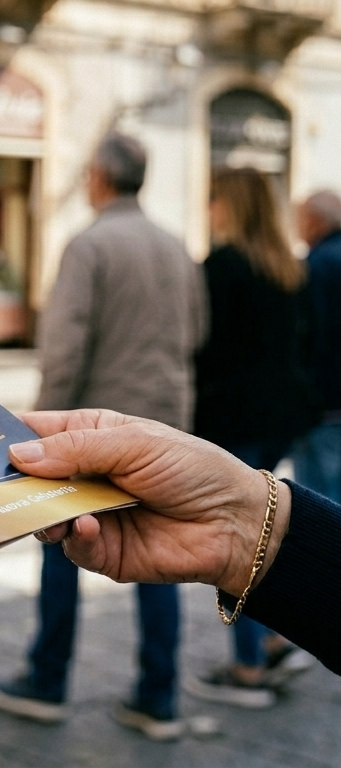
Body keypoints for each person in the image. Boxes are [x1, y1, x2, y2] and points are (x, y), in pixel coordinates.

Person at [0, 132, 206, 741]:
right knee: (161, 558)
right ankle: (158, 695)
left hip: (93, 430)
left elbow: (65, 347)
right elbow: (198, 331)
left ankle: (47, 679)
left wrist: (39, 435)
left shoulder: (89, 244)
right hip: (164, 425)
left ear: (102, 178)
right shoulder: (175, 245)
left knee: (62, 545)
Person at [10, 409, 340, 677]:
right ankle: (160, 689)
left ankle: (49, 676)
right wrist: (244, 525)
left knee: (72, 553)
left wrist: (243, 524)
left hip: (116, 448)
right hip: (171, 421)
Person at [188, 168, 320, 707]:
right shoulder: (289, 268)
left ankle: (247, 667)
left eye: (214, 198)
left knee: (238, 540)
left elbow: (208, 348)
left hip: (234, 418)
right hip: (283, 416)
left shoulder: (224, 265)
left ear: (231, 204)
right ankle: (270, 641)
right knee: (269, 527)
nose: (209, 208)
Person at [291, 190, 341, 503]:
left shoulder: (316, 265)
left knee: (320, 499)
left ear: (313, 222)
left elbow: (309, 337)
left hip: (322, 404)